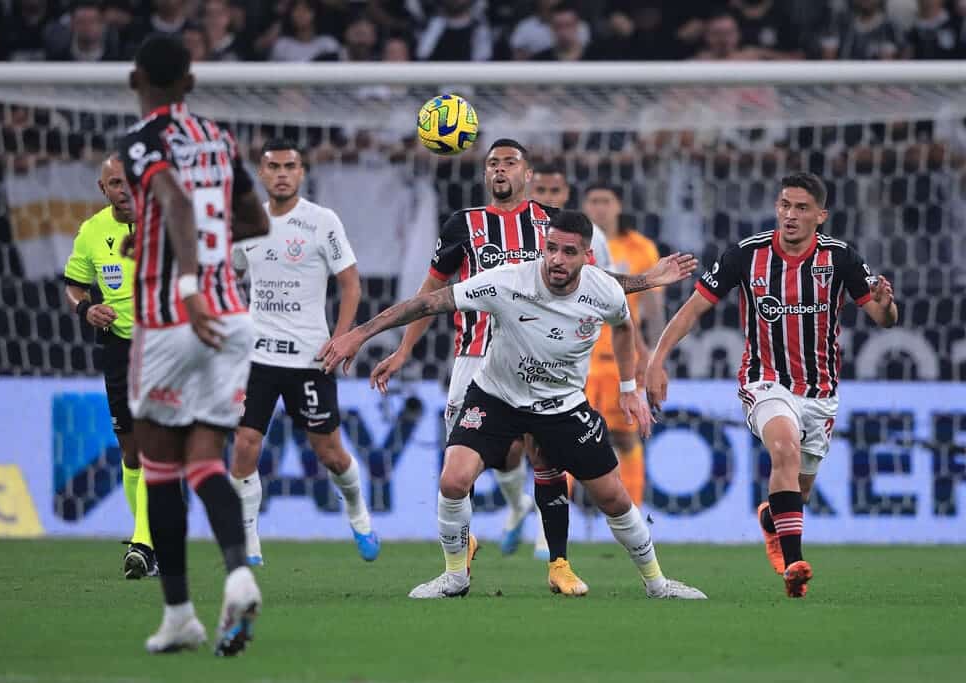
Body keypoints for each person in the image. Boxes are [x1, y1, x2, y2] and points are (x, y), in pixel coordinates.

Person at [320, 210, 706, 601]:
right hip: (497, 396)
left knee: (613, 497)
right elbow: (427, 304)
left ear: (587, 256)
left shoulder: (603, 290)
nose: (556, 259)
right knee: (453, 480)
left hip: (562, 405)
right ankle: (455, 577)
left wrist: (628, 387)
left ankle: (657, 583)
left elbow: (623, 327)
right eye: (551, 248)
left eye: (568, 252)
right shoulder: (506, 281)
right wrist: (360, 334)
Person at [646, 172, 898, 598]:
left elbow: (882, 319)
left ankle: (771, 520)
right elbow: (692, 310)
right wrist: (657, 361)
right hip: (764, 380)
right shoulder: (746, 255)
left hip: (820, 392)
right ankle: (794, 565)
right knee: (784, 449)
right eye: (784, 205)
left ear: (821, 215)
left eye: (802, 208)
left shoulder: (840, 258)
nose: (790, 214)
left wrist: (886, 303)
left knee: (798, 492)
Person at [116, 34, 269, 655]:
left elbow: (175, 202)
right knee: (206, 459)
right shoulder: (219, 138)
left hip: (172, 316)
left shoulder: (140, 143)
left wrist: (183, 280)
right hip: (233, 313)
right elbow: (253, 221)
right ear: (191, 81)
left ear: (136, 80)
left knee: (159, 464)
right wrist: (183, 251)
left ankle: (179, 610)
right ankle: (236, 575)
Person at [230, 139, 380, 566]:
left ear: (301, 173)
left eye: (289, 166)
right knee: (245, 443)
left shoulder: (321, 222)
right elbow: (231, 273)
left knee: (330, 453)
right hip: (257, 357)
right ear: (261, 173)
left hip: (310, 360)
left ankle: (358, 513)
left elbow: (350, 283)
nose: (281, 173)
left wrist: (342, 337)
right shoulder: (246, 223)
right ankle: (249, 542)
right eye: (273, 166)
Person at [64, 153, 154, 580]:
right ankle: (151, 539)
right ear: (104, 189)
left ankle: (143, 544)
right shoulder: (92, 231)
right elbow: (75, 285)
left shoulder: (167, 225)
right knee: (132, 452)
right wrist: (86, 310)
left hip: (165, 349)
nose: (125, 189)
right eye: (116, 183)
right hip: (119, 350)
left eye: (131, 181)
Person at [524, 161, 611, 563]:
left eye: (555, 190)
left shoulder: (591, 239)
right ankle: (521, 511)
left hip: (575, 357)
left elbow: (609, 292)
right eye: (540, 188)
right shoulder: (516, 234)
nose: (547, 196)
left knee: (558, 444)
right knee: (521, 446)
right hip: (516, 354)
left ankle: (548, 535)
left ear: (565, 194)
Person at [582, 182, 663, 507]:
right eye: (593, 201)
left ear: (618, 206)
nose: (599, 208)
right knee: (566, 438)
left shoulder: (639, 248)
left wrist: (656, 356)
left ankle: (635, 511)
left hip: (622, 357)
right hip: (579, 356)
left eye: (605, 200)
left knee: (625, 437)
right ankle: (552, 527)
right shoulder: (572, 246)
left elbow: (655, 310)